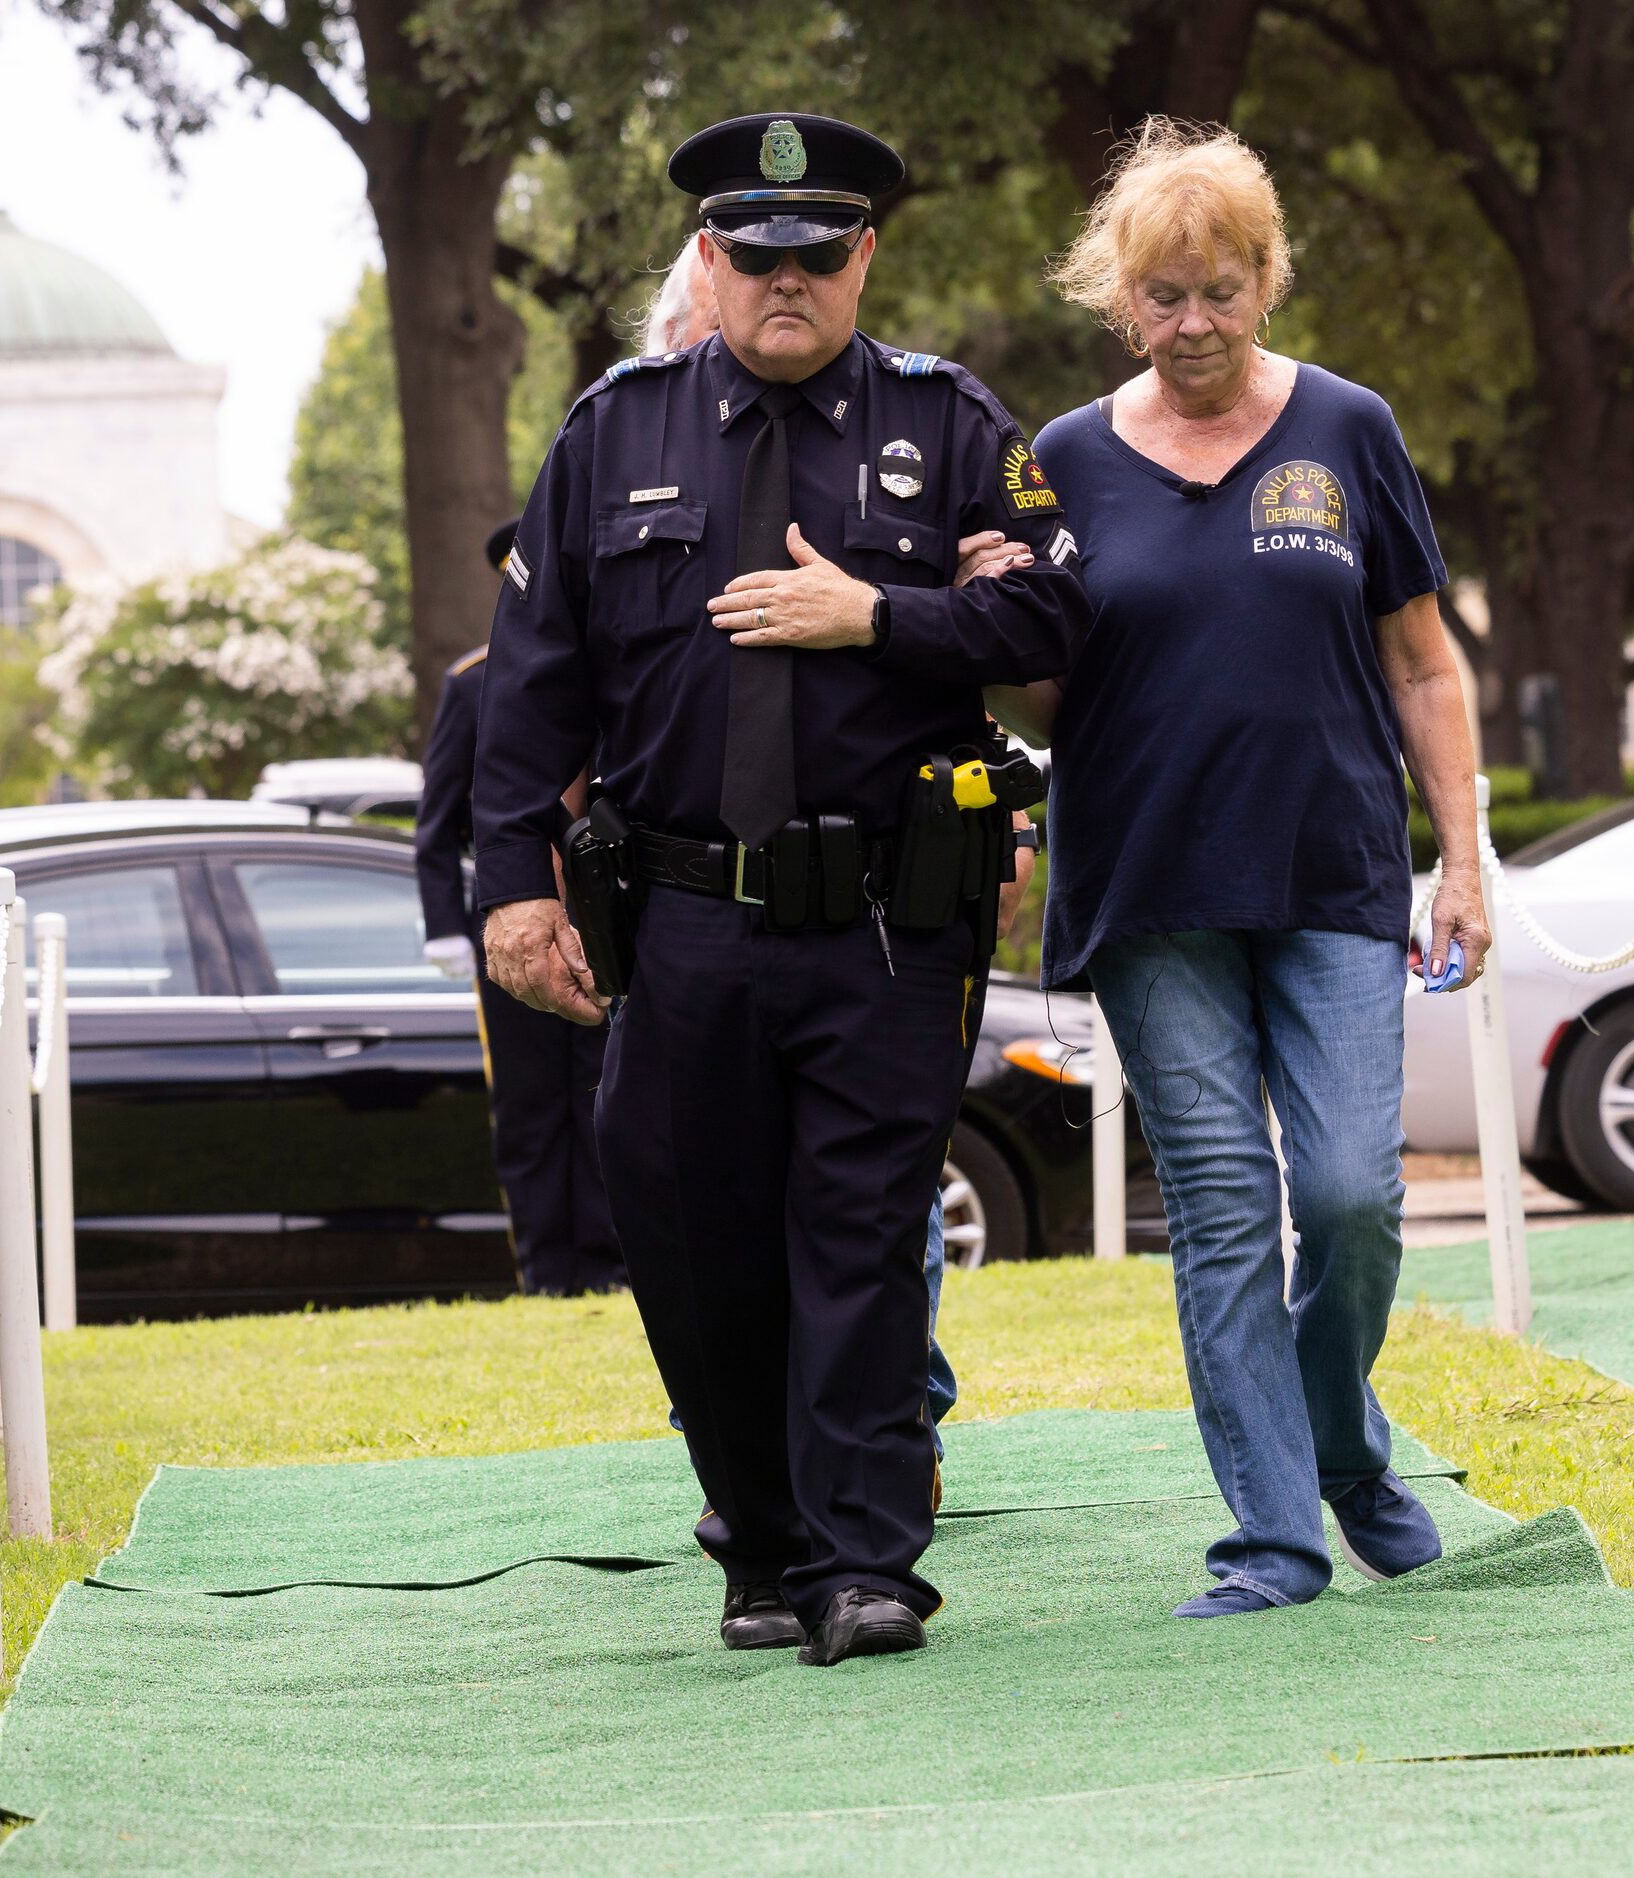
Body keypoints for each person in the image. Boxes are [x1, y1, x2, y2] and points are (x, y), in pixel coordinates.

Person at [474, 113, 1082, 1666]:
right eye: (755, 252)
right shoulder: (612, 431)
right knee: (691, 1238)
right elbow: (532, 688)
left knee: (864, 1233)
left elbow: (1061, 618)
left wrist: (877, 615)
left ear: (865, 256)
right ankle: (759, 1539)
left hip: (887, 918)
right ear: (709, 259)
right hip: (677, 915)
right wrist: (510, 890)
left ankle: (870, 1558)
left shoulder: (951, 426)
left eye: (819, 250)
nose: (786, 277)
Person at [995, 121, 1484, 1617]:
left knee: (1346, 1196)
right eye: (1163, 296)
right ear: (1118, 299)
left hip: (1333, 867)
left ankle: (1341, 1443)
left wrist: (1464, 852)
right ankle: (1273, 1537)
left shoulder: (1348, 427)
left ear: (1266, 277)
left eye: (1219, 289)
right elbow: (1037, 685)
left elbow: (1421, 659)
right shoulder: (1060, 461)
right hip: (1147, 885)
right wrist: (987, 620)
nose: (1193, 323)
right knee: (1218, 1208)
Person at [416, 520, 623, 1296]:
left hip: (602, 907)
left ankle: (609, 1264)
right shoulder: (475, 680)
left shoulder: (610, 668)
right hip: (509, 909)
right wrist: (444, 926)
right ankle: (544, 1270)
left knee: (605, 1091)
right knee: (531, 1106)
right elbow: (435, 824)